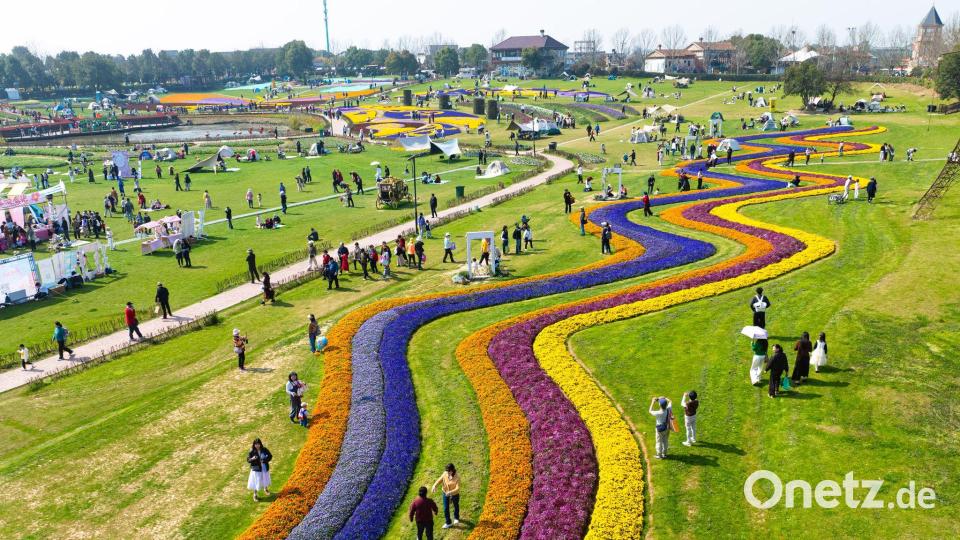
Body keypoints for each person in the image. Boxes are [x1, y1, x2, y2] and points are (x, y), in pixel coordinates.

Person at [432, 463, 461, 529]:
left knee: (456, 505)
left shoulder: (457, 477)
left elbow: (458, 488)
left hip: (454, 494)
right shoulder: (445, 473)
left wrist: (450, 492)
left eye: (448, 472)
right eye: (447, 471)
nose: (447, 473)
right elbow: (440, 479)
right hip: (445, 492)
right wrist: (434, 485)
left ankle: (456, 518)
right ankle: (448, 522)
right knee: (445, 508)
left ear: (452, 471)